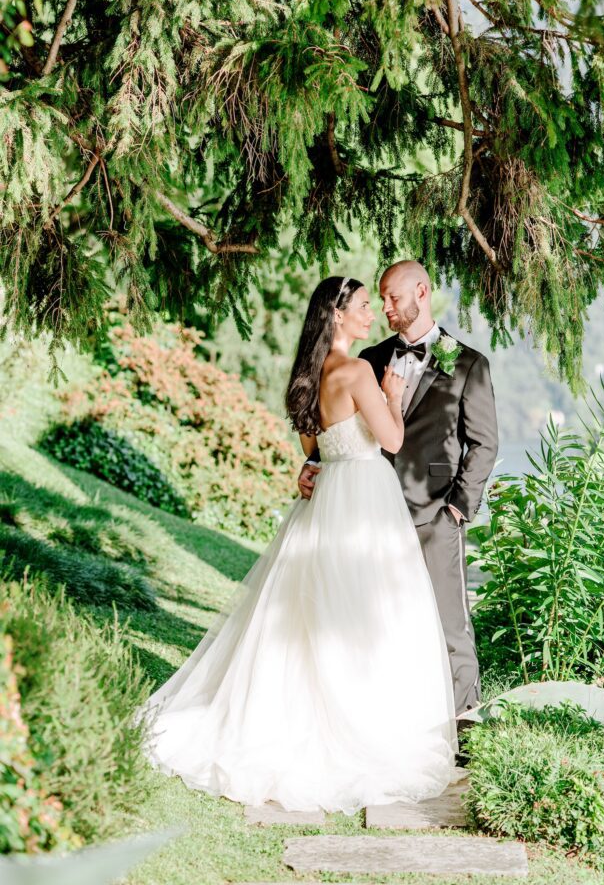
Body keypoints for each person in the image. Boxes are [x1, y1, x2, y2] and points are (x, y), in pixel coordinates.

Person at [141, 275, 457, 814]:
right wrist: (393, 395)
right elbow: (393, 440)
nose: (370, 314)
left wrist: (309, 470)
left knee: (315, 614)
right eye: (361, 306)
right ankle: (357, 726)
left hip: (326, 497)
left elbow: (315, 449)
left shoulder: (307, 376)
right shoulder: (358, 372)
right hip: (364, 501)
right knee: (367, 614)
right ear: (336, 316)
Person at [299, 261, 498, 715]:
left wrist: (458, 509)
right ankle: (392, 718)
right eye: (380, 299)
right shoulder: (367, 359)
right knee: (375, 621)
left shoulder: (469, 364)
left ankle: (465, 722)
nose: (385, 306)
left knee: (450, 626)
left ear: (421, 292)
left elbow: (484, 444)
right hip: (367, 514)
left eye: (392, 297)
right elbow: (338, 426)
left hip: (433, 514)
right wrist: (313, 463)